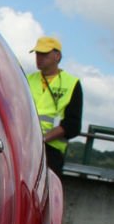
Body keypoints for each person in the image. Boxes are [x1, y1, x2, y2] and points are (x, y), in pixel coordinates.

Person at [28, 36, 83, 178]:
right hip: (25, 144)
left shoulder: (72, 84)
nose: (39, 58)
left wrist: (43, 139)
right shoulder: (27, 79)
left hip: (51, 151)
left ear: (57, 56)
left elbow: (73, 125)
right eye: (37, 54)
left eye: (44, 54)